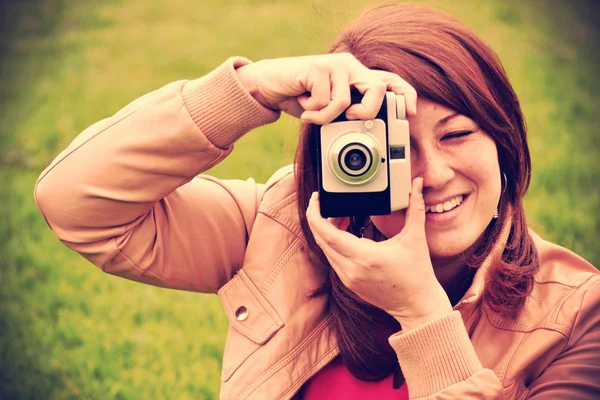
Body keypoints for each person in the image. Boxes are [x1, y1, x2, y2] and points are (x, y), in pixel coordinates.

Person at [34, 3, 599, 399]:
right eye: (394, 147)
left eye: (457, 135)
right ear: (343, 153)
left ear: (504, 139)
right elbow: (74, 201)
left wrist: (422, 312)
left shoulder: (578, 316)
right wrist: (248, 89)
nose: (433, 174)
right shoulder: (282, 227)